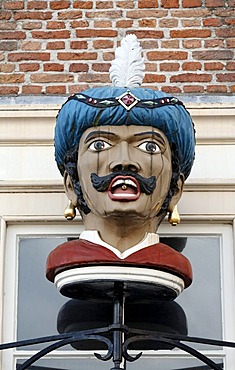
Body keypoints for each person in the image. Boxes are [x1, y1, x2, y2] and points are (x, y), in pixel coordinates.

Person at [46, 35, 195, 298]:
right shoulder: (66, 260)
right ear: (71, 184)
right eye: (101, 145)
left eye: (149, 147)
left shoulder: (174, 264)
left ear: (176, 189)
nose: (124, 160)